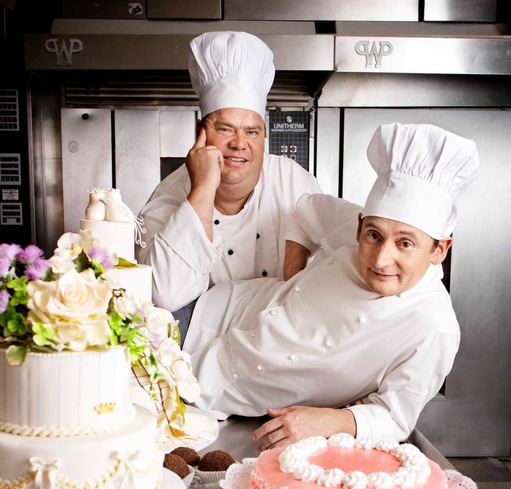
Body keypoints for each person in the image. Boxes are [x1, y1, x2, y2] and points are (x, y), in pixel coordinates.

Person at [182, 122, 481, 451]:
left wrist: (332, 420)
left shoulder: (433, 327)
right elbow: (304, 210)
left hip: (225, 401)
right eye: (373, 235)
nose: (381, 259)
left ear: (440, 249)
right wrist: (293, 284)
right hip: (201, 317)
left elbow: (396, 417)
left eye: (406, 244)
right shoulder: (348, 225)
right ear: (359, 227)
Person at [136, 31, 322, 340]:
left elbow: (331, 272)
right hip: (201, 358)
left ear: (264, 137)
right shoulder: (169, 196)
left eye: (252, 132)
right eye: (225, 129)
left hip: (282, 347)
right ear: (201, 133)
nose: (239, 144)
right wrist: (203, 188)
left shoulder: (294, 182)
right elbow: (163, 298)